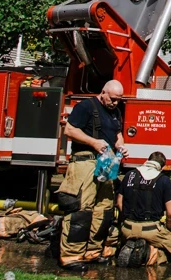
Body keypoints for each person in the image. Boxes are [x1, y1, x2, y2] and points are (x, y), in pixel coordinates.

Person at [57, 79, 128, 270]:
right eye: (112, 99)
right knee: (81, 209)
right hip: (85, 162)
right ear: (103, 92)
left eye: (118, 100)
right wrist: (93, 142)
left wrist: (120, 145)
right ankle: (71, 256)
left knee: (104, 209)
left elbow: (117, 134)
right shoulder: (86, 107)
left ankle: (92, 251)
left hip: (106, 165)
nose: (115, 103)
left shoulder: (115, 112)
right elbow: (69, 130)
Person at [116, 151, 171, 267]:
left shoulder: (129, 175)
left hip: (127, 228)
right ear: (161, 167)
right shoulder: (164, 180)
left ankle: (131, 246)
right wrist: (168, 229)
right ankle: (149, 254)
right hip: (150, 230)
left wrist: (125, 220)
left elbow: (119, 203)